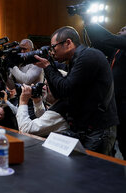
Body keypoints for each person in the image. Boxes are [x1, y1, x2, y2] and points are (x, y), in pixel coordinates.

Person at [34, 26, 119, 155]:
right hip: (87, 127)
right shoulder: (75, 60)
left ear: (68, 43)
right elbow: (59, 93)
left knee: (94, 171)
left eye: (53, 47)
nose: (52, 52)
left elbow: (66, 88)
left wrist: (48, 66)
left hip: (99, 128)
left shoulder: (88, 56)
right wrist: (48, 67)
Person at [85, 23, 126, 159]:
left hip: (124, 104)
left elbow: (108, 38)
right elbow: (99, 41)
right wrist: (87, 24)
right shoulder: (117, 50)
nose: (120, 30)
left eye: (124, 29)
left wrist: (89, 19)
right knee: (116, 144)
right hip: (116, 104)